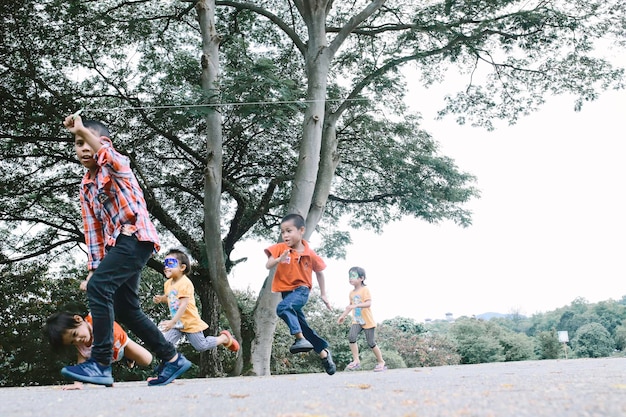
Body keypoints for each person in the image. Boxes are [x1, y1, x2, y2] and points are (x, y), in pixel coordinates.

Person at [60, 114, 191, 387]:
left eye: (88, 142)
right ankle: (172, 358)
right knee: (127, 309)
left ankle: (100, 362)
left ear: (101, 143)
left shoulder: (116, 166)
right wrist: (94, 270)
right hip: (118, 246)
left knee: (100, 289)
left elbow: (111, 156)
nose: (83, 148)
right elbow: (93, 232)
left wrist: (83, 128)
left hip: (137, 237)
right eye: (77, 143)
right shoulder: (86, 187)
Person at [264, 213, 336, 375]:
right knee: (303, 326)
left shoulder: (310, 254)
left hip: (302, 290)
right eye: (283, 232)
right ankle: (324, 354)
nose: (285, 235)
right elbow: (268, 264)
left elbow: (320, 272)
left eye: (289, 231)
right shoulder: (281, 248)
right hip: (286, 292)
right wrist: (278, 259)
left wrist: (323, 294)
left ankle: (299, 338)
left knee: (283, 308)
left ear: (301, 230)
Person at [153, 248, 240, 354]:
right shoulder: (168, 284)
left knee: (201, 346)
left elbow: (183, 305)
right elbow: (172, 300)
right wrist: (162, 298)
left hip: (190, 323)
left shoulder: (185, 283)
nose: (166, 267)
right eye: (164, 264)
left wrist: (172, 322)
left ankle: (224, 338)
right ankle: (173, 364)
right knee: (165, 345)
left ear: (182, 267)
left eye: (170, 263)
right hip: (178, 323)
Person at [44, 311, 153, 389]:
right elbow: (81, 365)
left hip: (120, 344)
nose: (78, 340)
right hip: (108, 358)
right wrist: (77, 384)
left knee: (147, 360)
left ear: (78, 319)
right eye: (72, 342)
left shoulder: (97, 322)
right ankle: (125, 359)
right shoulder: (81, 344)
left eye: (75, 334)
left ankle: (128, 357)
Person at [337, 266, 386, 372]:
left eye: (353, 276)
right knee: (351, 337)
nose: (350, 278)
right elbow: (350, 305)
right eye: (349, 276)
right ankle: (356, 360)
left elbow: (369, 303)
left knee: (371, 343)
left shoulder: (365, 290)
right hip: (357, 320)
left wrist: (356, 306)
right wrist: (343, 315)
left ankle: (381, 362)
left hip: (367, 321)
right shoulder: (351, 293)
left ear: (361, 278)